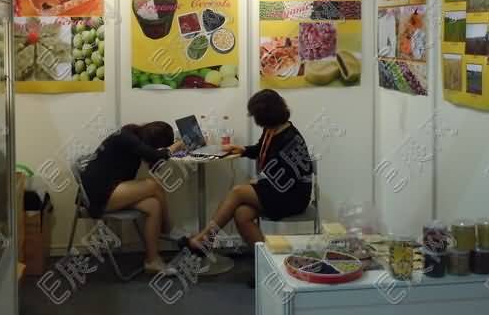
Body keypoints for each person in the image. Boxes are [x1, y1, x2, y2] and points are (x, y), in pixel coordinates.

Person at [182, 89, 313, 257]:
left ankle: (204, 239)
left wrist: (259, 183)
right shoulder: (272, 129)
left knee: (238, 192)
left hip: (291, 196)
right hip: (277, 190)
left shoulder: (290, 140)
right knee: (241, 214)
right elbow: (260, 149)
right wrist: (243, 150)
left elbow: (288, 179)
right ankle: (265, 261)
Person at [79, 121, 184, 274]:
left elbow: (153, 158)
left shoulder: (134, 138)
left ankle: (152, 260)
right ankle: (167, 228)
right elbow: (154, 155)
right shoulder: (125, 137)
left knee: (154, 205)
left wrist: (164, 152)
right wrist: (178, 145)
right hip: (96, 196)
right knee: (154, 185)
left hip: (114, 190)